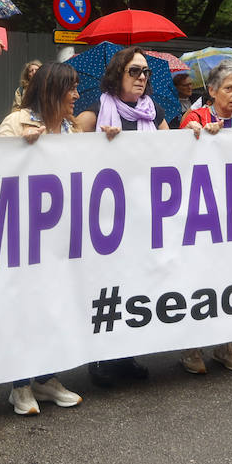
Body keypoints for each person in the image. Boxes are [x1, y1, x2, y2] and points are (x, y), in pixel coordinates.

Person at [0, 62, 87, 414]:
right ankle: (19, 384)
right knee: (24, 307)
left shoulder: (71, 129)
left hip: (60, 239)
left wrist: (108, 143)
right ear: (52, 92)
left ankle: (46, 378)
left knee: (54, 305)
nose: (77, 96)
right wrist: (18, 149)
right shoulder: (16, 123)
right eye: (71, 89)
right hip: (23, 238)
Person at [72, 46, 167, 386]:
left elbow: (174, 153)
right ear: (117, 74)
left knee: (134, 287)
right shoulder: (96, 111)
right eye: (134, 72)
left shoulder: (152, 114)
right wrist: (98, 146)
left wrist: (202, 136)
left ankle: (126, 355)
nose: (142, 77)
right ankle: (101, 359)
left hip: (142, 217)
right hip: (105, 221)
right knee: (106, 287)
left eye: (146, 73)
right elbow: (64, 151)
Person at [177, 59, 232, 373]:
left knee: (230, 278)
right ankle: (191, 347)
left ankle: (225, 344)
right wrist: (192, 133)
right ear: (211, 91)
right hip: (199, 213)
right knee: (198, 278)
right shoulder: (195, 117)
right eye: (229, 88)